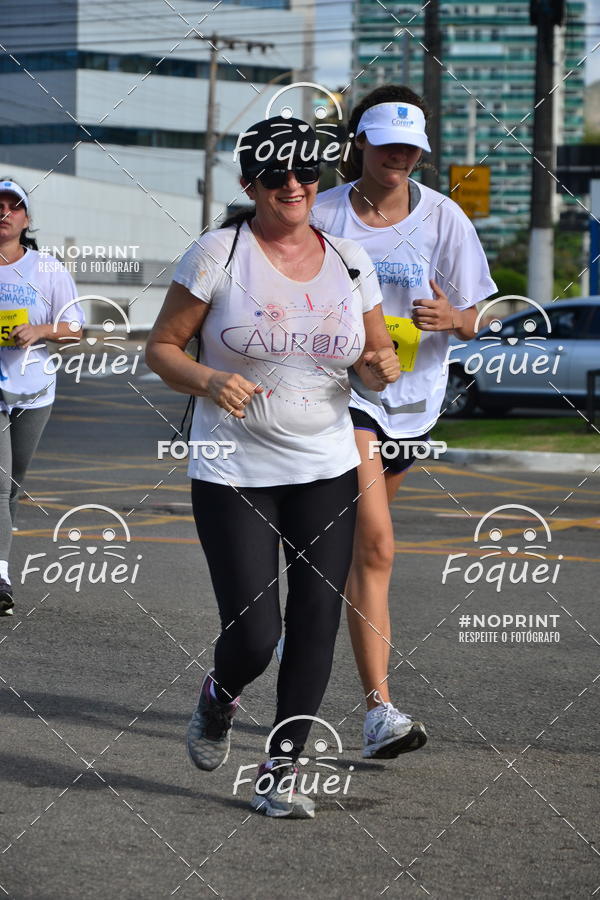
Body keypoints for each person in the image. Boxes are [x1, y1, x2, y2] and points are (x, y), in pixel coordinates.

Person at [145, 117, 400, 818]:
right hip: (233, 469)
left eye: (306, 173)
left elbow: (371, 356)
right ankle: (220, 695)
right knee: (256, 636)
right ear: (249, 183)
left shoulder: (350, 259)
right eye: (276, 175)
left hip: (326, 464)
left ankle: (280, 771)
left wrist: (381, 366)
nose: (294, 185)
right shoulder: (218, 252)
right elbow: (160, 348)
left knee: (316, 619)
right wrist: (207, 380)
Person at [312, 86, 497, 759]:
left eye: (410, 148)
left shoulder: (444, 217)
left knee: (357, 547)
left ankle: (300, 605)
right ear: (359, 142)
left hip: (415, 403)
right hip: (343, 394)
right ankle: (379, 713)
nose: (399, 157)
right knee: (380, 545)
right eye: (387, 145)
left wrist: (457, 319)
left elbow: (486, 313)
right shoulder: (325, 213)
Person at [0, 178, 84, 617]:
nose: (4, 213)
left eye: (13, 207)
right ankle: (0, 577)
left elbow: (75, 329)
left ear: (26, 219)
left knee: (12, 487)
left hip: (34, 391)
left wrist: (40, 330)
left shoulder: (48, 270)